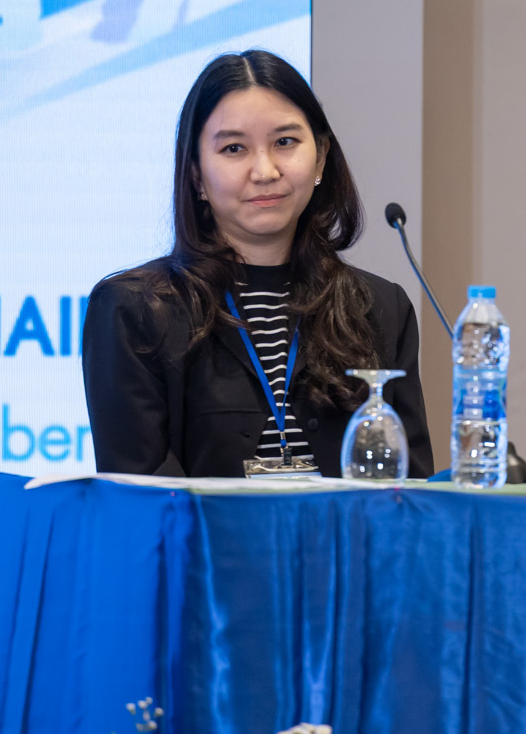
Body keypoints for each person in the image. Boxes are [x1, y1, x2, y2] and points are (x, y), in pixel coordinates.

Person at [84, 50, 434, 478]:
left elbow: (412, 487)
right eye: (234, 148)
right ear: (196, 175)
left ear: (321, 157)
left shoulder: (380, 308)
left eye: (285, 142)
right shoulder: (134, 310)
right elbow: (142, 493)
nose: (265, 171)